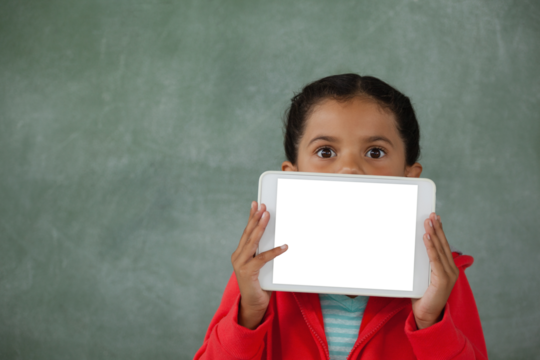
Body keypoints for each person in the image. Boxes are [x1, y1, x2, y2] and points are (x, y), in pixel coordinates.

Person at [193, 74, 488, 359]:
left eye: (375, 152)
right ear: (291, 176)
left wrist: (432, 322)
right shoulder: (259, 272)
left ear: (410, 176)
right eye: (325, 152)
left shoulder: (441, 277)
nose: (349, 168)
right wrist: (248, 315)